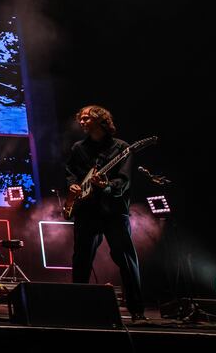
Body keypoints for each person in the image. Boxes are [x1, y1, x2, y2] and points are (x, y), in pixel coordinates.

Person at [65, 105, 146, 321]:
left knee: (126, 260)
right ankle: (77, 309)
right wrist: (73, 186)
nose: (81, 122)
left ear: (101, 120)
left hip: (113, 211)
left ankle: (137, 311)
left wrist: (106, 186)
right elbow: (70, 173)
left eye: (86, 118)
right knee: (81, 260)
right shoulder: (78, 148)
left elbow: (124, 181)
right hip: (87, 212)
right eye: (80, 119)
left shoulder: (122, 148)